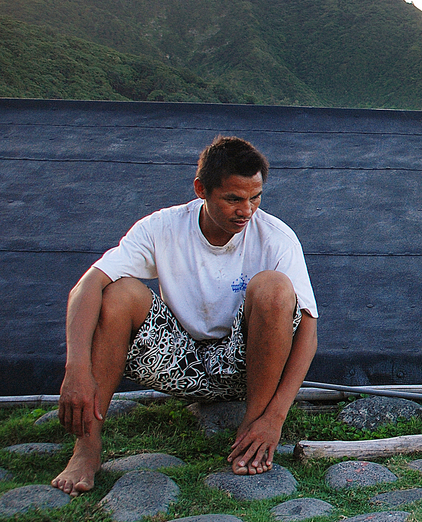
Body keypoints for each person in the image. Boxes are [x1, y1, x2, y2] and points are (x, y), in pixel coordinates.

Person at [52, 136, 318, 496]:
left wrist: (275, 417)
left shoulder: (276, 237)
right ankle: (87, 448)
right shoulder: (163, 227)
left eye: (255, 197)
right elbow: (86, 286)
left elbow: (308, 330)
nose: (246, 210)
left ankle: (252, 427)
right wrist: (76, 369)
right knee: (117, 292)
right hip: (178, 360)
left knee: (275, 288)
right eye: (233, 199)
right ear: (201, 190)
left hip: (246, 367)